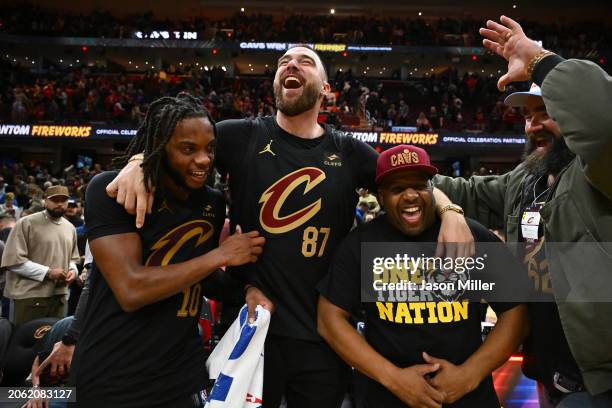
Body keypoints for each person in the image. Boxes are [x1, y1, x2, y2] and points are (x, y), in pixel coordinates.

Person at [108, 46, 474, 407]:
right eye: (283, 62)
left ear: (326, 89)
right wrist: (139, 162)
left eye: (304, 62)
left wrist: (451, 210)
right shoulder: (241, 135)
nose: (290, 65)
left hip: (324, 336)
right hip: (252, 329)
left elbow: (407, 183)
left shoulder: (347, 150)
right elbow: (178, 147)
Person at [432, 15, 612, 406]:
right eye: (527, 116)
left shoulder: (597, 171)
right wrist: (371, 167)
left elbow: (602, 122)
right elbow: (458, 190)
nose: (532, 126)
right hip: (547, 371)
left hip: (598, 380)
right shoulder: (524, 180)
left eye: (545, 112)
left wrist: (538, 61)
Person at [69, 93, 267, 408]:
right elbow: (130, 289)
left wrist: (246, 289)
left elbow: (196, 272)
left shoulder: (211, 202)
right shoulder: (110, 191)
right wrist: (222, 255)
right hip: (114, 374)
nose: (204, 159)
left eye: (210, 148)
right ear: (159, 147)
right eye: (188, 149)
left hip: (182, 372)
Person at [317, 144, 528, 408]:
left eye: (419, 185)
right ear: (381, 197)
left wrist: (469, 375)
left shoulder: (470, 236)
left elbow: (517, 311)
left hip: (468, 399)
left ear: (432, 189)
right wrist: (394, 378)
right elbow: (329, 319)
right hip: (385, 398)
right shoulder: (360, 244)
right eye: (397, 189)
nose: (410, 195)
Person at [1, 185, 79, 325]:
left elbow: (73, 259)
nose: (60, 204)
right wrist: (48, 272)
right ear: (45, 201)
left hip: (59, 294)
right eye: (55, 200)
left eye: (64, 200)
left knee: (52, 343)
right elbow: (13, 262)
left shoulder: (70, 228)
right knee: (23, 342)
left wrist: (73, 270)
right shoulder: (26, 223)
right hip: (29, 295)